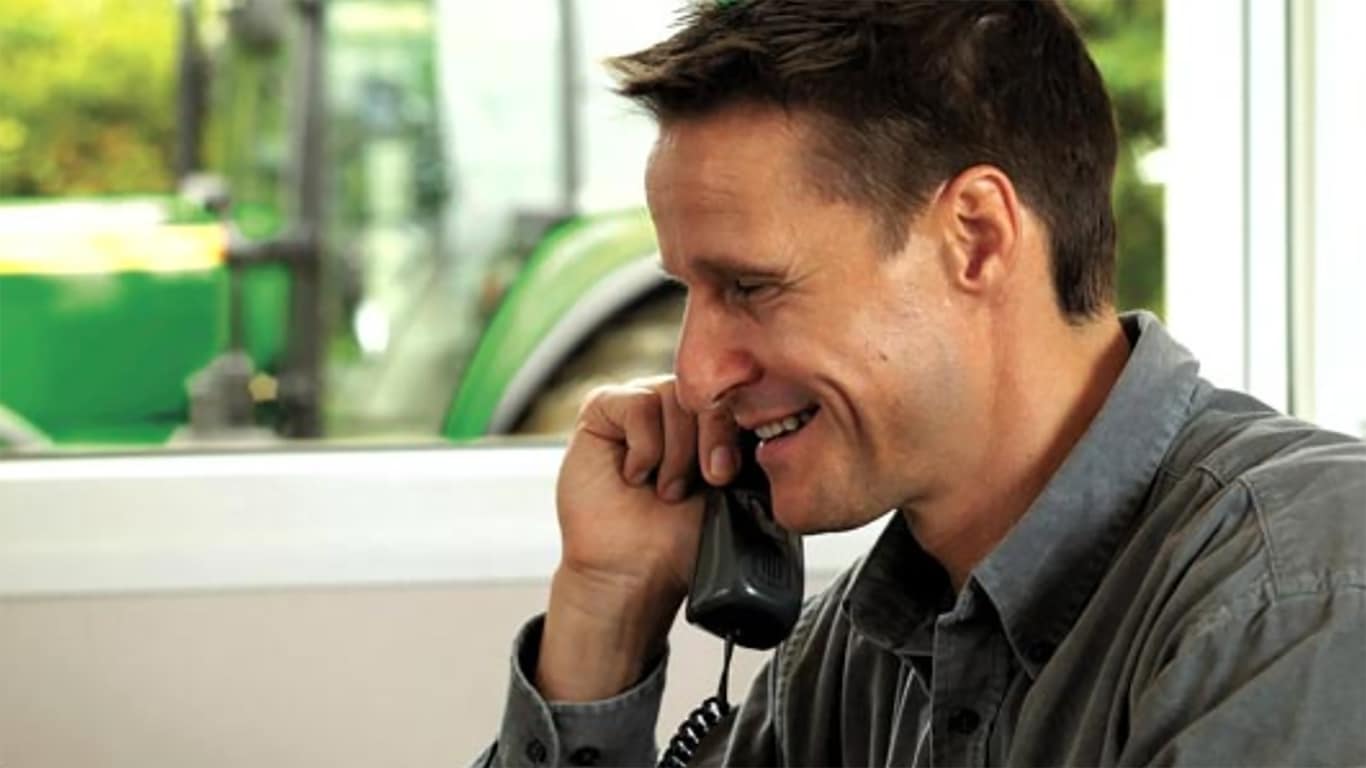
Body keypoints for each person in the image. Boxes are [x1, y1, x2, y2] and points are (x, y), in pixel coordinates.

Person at [476, 1, 1366, 765]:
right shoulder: (846, 661)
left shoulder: (1291, 598)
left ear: (975, 237)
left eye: (750, 287)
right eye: (690, 293)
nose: (699, 377)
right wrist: (604, 615)